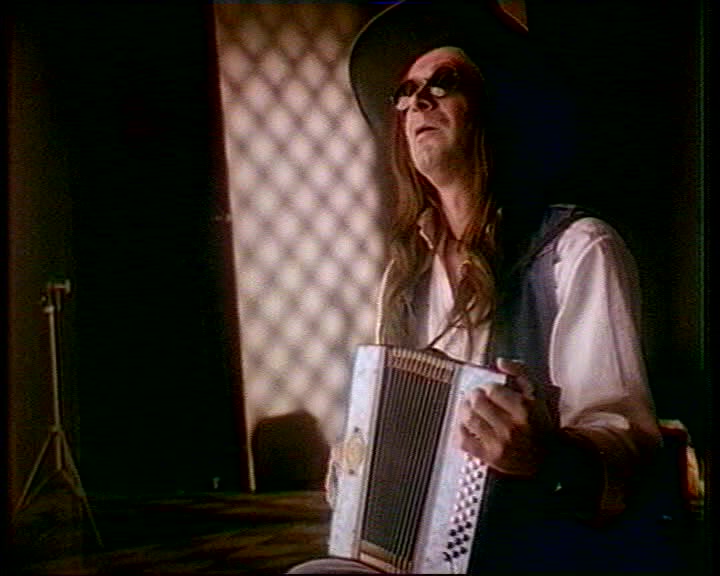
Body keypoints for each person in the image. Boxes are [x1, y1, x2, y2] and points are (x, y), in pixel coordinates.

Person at [289, 1, 663, 573]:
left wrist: (547, 456)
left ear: (495, 107)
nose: (418, 101)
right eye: (406, 92)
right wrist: (353, 467)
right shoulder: (406, 274)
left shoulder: (576, 250)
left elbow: (629, 446)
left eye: (444, 82)